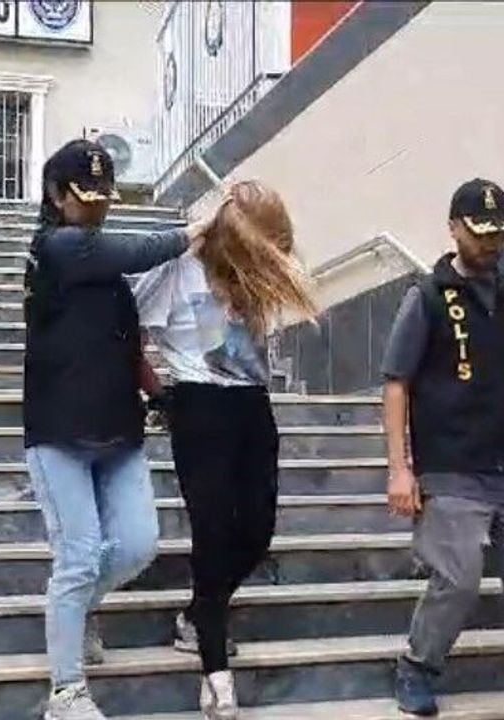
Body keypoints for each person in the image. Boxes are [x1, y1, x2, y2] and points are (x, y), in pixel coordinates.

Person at [24, 138, 216, 720]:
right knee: (79, 556)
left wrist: (160, 395)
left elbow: (129, 346)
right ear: (56, 196)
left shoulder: (105, 272)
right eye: (87, 199)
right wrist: (196, 230)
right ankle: (66, 692)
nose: (99, 208)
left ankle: (77, 611)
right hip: (60, 433)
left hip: (117, 429)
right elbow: (140, 249)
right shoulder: (56, 248)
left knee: (137, 546)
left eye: (105, 198)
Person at [382, 178, 504, 719]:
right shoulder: (427, 297)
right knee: (459, 578)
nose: (491, 243)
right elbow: (396, 384)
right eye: (480, 232)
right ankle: (418, 665)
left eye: (499, 233)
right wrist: (400, 469)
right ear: (454, 228)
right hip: (451, 469)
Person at [133, 181, 318, 719]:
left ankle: (197, 614)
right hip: (198, 405)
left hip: (253, 405)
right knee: (212, 534)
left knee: (257, 531)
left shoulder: (252, 273)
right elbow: (128, 337)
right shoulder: (176, 269)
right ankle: (215, 673)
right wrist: (158, 395)